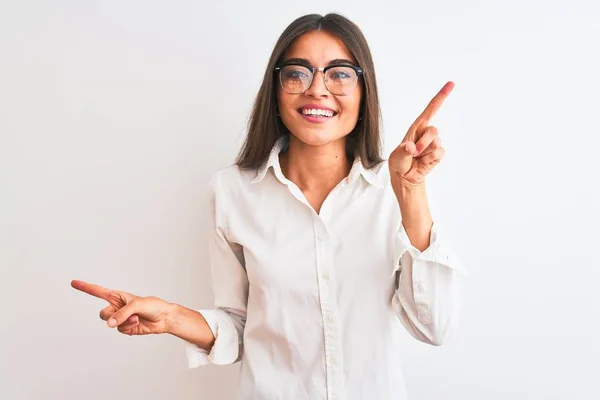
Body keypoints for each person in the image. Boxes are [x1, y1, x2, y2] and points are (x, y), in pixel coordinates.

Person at [71, 12, 468, 400]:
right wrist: (172, 317)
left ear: (364, 93)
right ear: (276, 91)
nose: (317, 89)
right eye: (297, 72)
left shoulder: (392, 189)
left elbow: (435, 327)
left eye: (340, 73)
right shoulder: (230, 191)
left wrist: (410, 189)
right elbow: (239, 323)